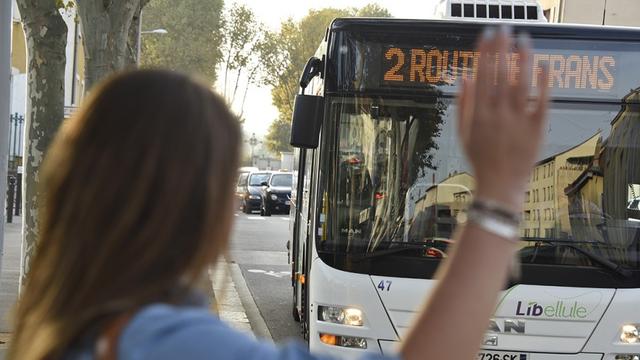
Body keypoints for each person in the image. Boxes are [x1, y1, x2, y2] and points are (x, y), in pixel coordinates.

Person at [8, 26, 548, 360]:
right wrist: (499, 196)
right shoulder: (161, 340)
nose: (237, 203)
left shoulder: (60, 323)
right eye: (226, 187)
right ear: (188, 204)